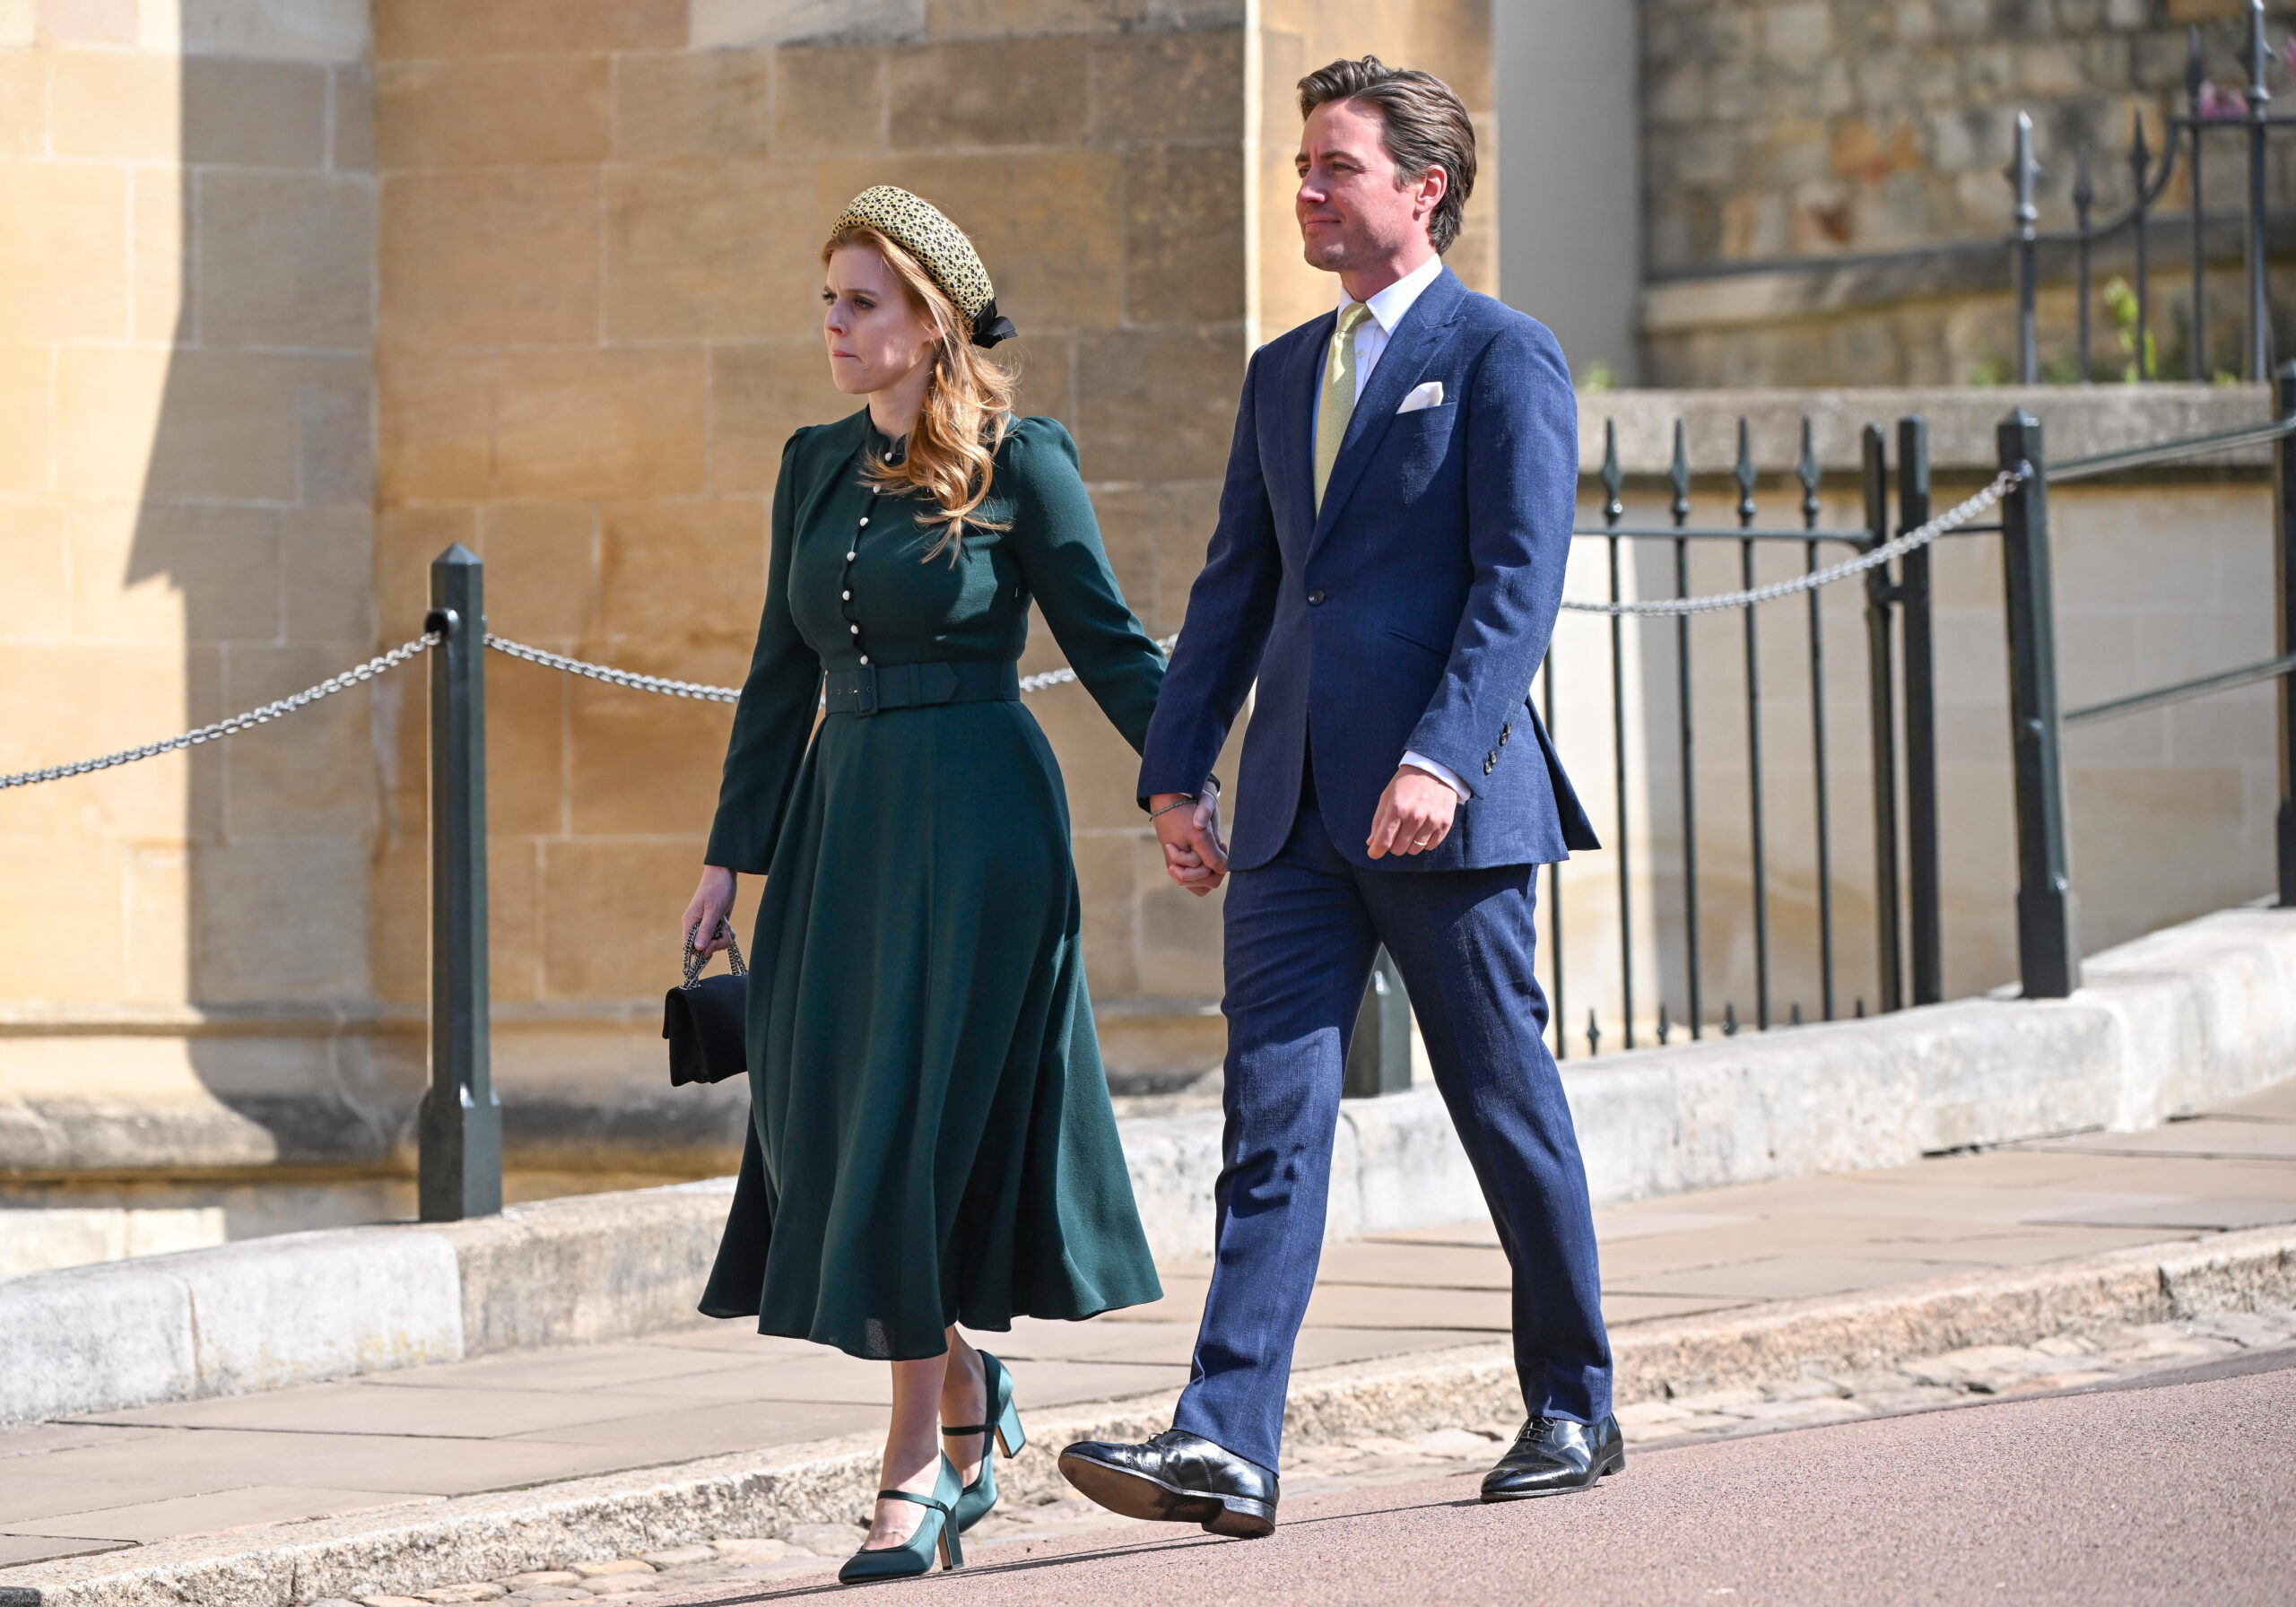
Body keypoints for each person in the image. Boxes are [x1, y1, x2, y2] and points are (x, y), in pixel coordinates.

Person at [1057, 56, 1617, 1537]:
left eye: (1334, 165)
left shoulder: (1504, 355)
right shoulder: (1281, 372)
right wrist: (1177, 769)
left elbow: (1519, 581)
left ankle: (1573, 1399)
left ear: (1422, 188)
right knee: (1271, 1122)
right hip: (1295, 816)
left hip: (1449, 809)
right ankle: (1227, 1439)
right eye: (1302, 166)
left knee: (1505, 1108)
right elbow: (1236, 588)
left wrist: (1444, 755)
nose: (1305, 188)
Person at [678, 185, 1185, 1585]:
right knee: (824, 1131)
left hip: (978, 831)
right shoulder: (810, 464)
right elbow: (780, 675)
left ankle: (911, 1470)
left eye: (862, 303)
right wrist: (732, 856)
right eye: (828, 302)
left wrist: (1191, 782)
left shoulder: (1025, 461)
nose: (835, 328)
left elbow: (1111, 641)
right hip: (842, 826)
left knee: (907, 1132)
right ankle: (964, 1381)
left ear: (932, 321)